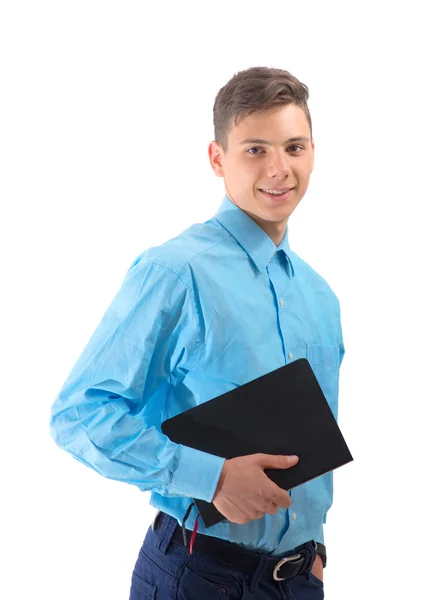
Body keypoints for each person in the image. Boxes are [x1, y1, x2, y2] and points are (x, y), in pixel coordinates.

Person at [49, 66, 345, 599]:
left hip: (300, 581)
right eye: (256, 149)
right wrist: (212, 478)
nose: (280, 169)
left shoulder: (319, 295)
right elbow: (80, 414)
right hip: (201, 575)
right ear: (218, 159)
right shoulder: (175, 273)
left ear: (312, 152)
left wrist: (314, 554)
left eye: (294, 147)